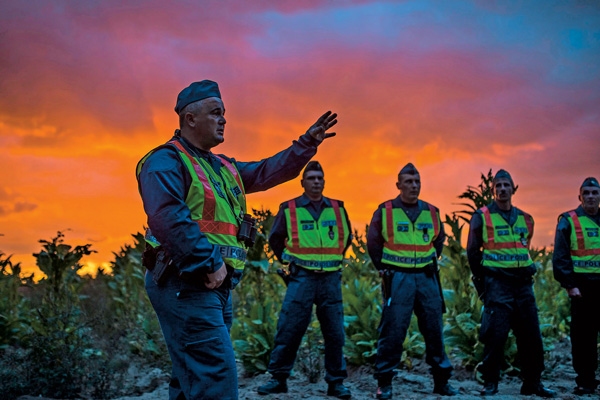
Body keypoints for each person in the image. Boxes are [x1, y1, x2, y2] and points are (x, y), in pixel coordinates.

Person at [136, 80, 339, 400]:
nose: (224, 120)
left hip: (216, 287)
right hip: (186, 283)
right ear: (190, 119)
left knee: (192, 375)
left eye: (224, 113)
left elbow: (267, 171)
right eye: (216, 113)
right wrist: (208, 262)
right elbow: (167, 217)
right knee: (215, 378)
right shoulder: (164, 161)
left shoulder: (225, 167)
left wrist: (305, 144)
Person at [257, 161, 352, 399]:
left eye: (320, 178)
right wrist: (290, 260)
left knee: (334, 332)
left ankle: (336, 383)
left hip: (330, 279)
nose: (316, 181)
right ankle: (278, 379)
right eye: (311, 178)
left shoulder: (338, 208)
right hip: (302, 279)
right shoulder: (289, 208)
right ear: (303, 182)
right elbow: (276, 239)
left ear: (324, 181)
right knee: (290, 328)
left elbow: (346, 238)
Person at [367, 163, 458, 399]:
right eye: (408, 182)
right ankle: (384, 383)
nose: (414, 186)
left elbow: (438, 242)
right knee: (393, 331)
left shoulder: (432, 211)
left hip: (427, 278)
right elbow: (373, 244)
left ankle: (441, 382)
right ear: (398, 185)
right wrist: (385, 270)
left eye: (417, 181)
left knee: (434, 331)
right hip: (398, 279)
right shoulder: (385, 211)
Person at [467, 169, 555, 398]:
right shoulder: (482, 216)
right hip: (497, 284)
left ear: (513, 189)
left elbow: (524, 247)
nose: (503, 189)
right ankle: (490, 383)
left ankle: (532, 383)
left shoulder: (526, 219)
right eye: (498, 186)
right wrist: (483, 283)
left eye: (507, 185)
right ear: (493, 189)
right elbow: (472, 253)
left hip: (523, 285)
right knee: (496, 336)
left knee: (532, 337)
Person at [552, 177, 600, 396]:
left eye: (595, 192)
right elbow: (560, 256)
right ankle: (585, 381)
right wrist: (570, 285)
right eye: (586, 192)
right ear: (579, 196)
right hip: (582, 289)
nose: (591, 196)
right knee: (584, 338)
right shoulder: (569, 220)